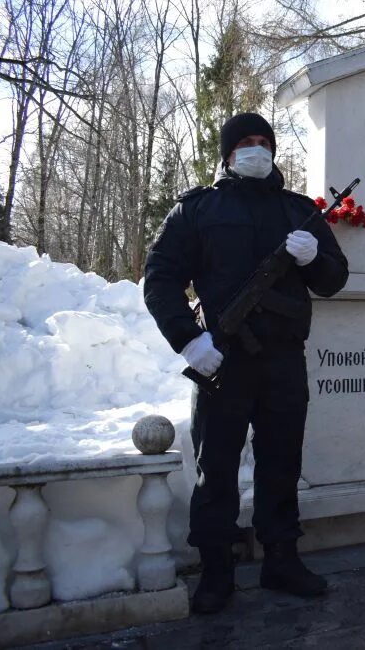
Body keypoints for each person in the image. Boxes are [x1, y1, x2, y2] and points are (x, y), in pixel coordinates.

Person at [144, 112, 349, 613]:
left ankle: (281, 558)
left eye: (264, 142)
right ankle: (216, 571)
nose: (257, 150)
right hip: (222, 360)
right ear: (228, 154)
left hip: (283, 360)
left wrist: (312, 259)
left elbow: (334, 278)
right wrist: (189, 341)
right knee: (216, 469)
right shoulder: (197, 209)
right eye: (246, 143)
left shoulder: (299, 211)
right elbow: (160, 278)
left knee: (282, 462)